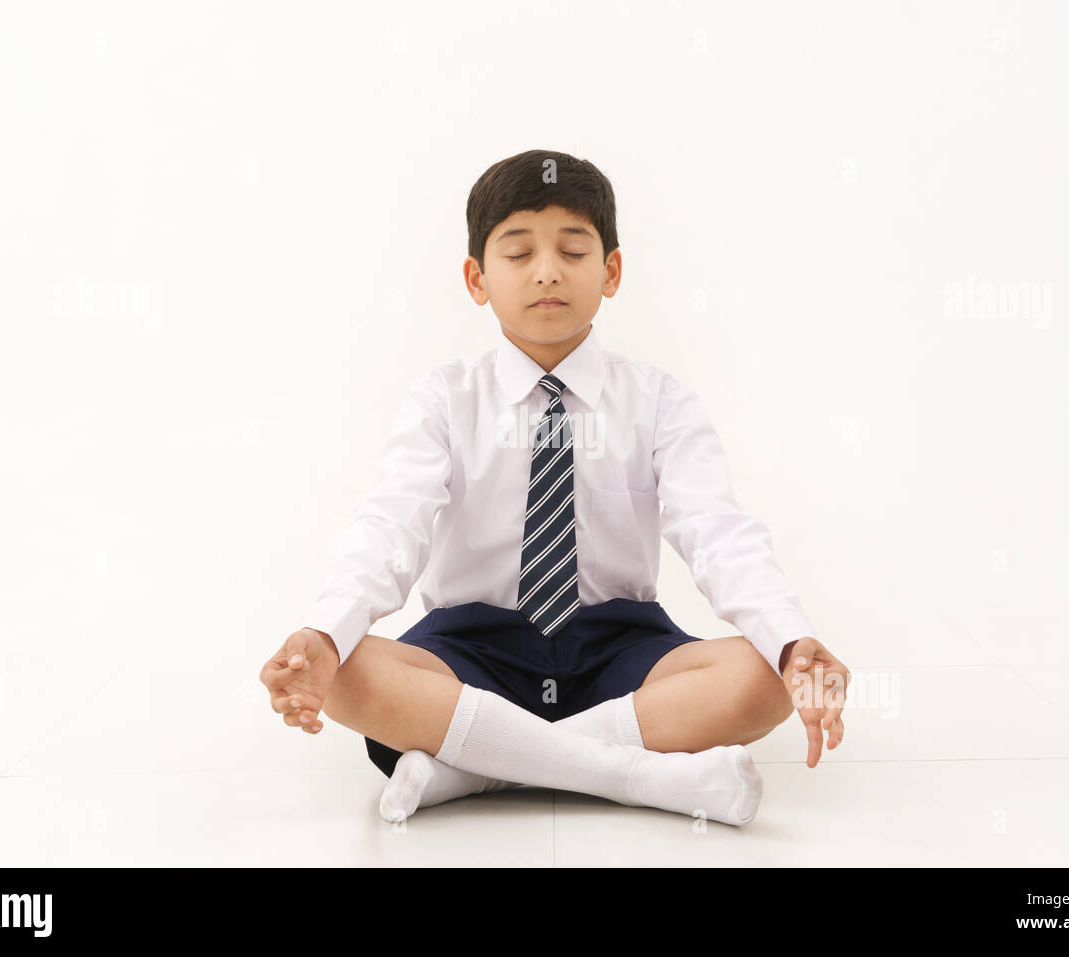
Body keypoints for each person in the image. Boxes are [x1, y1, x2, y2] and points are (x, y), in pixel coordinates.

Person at [259, 149, 850, 826]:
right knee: (352, 672)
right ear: (476, 279)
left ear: (612, 270)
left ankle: (471, 769)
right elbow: (388, 526)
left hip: (620, 648)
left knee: (763, 679)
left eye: (573, 249)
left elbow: (719, 531)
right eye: (517, 253)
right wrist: (323, 634)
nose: (547, 270)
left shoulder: (659, 401)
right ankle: (629, 771)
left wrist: (792, 640)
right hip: (469, 650)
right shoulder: (444, 399)